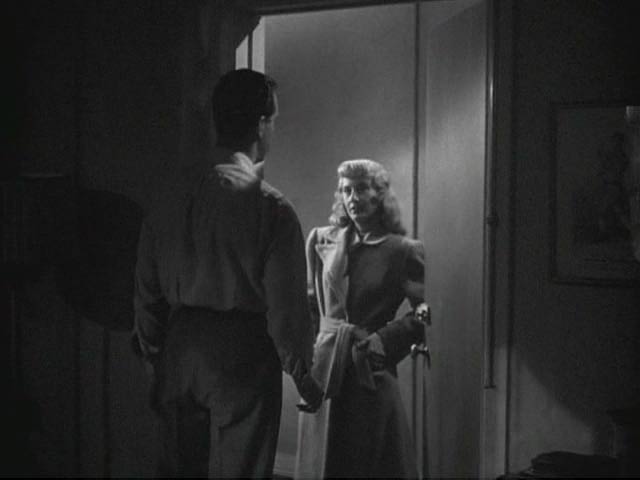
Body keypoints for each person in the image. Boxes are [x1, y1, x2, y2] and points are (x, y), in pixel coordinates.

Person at [133, 68, 322, 478]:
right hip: (242, 353)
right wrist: (304, 375)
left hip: (179, 346)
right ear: (261, 124)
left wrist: (155, 357)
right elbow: (286, 313)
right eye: (273, 121)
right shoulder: (272, 208)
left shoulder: (168, 198)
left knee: (178, 471)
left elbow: (146, 292)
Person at [295, 159, 427, 479]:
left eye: (361, 189)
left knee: (367, 463)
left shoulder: (403, 250)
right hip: (325, 370)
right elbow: (309, 306)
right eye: (346, 190)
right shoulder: (321, 240)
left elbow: (427, 310)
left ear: (379, 194)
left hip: (368, 367)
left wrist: (385, 340)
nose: (352, 198)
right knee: (323, 463)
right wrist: (306, 361)